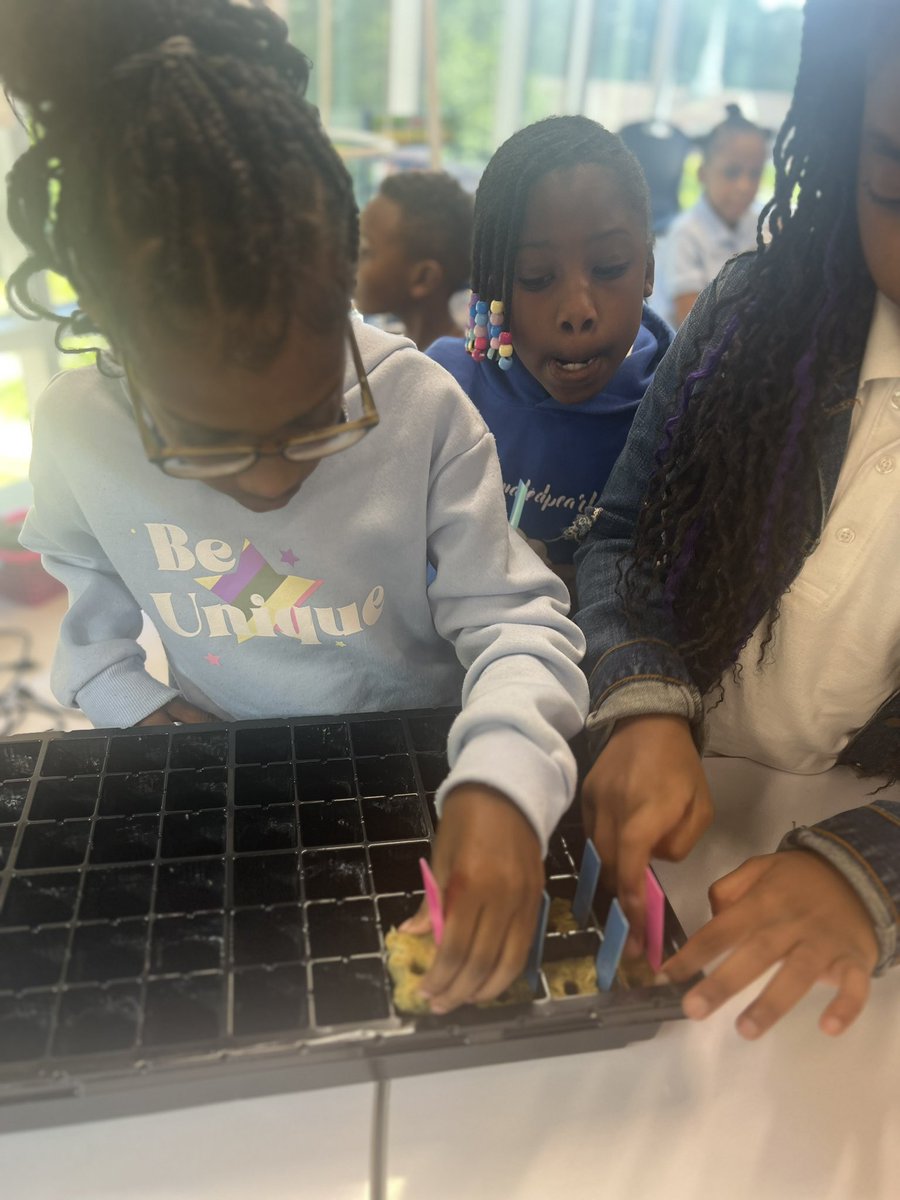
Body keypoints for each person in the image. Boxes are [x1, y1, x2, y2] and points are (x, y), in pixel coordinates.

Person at [1, 0, 589, 1015]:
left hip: (419, 770)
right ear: (117, 356)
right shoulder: (78, 434)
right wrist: (144, 712)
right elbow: (87, 636)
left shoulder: (420, 408)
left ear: (347, 302)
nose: (272, 481)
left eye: (318, 418)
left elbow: (518, 619)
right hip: (224, 785)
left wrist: (501, 781)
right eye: (206, 440)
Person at [576, 0, 899, 1040]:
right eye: (896, 184)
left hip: (858, 881)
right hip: (678, 806)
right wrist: (645, 699)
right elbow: (620, 534)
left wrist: (870, 871)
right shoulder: (753, 317)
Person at [427, 116, 673, 592]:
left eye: (610, 267)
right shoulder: (440, 394)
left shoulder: (675, 412)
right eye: (537, 276)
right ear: (493, 284)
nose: (577, 311)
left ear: (648, 269)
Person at [654, 105, 769, 327]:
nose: (744, 186)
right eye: (732, 172)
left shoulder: (766, 227)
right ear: (702, 173)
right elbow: (694, 331)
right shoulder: (685, 236)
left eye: (755, 174)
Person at [354, 170, 473, 351]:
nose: (351, 261)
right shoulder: (404, 353)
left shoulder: (453, 371)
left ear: (423, 278)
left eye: (366, 251)